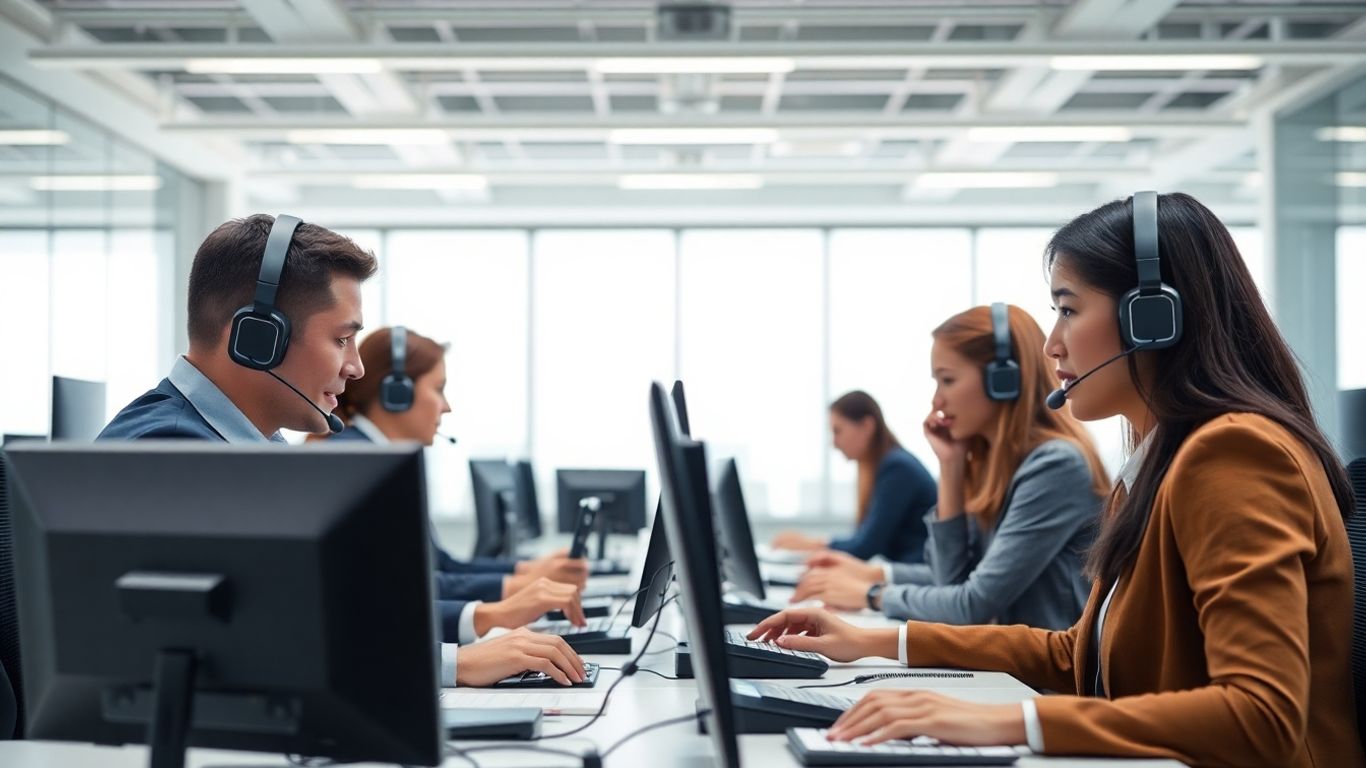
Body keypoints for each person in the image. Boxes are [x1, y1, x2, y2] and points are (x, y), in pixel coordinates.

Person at [748, 193, 1363, 767]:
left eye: (1068, 309)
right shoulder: (1156, 466)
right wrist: (873, 643)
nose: (1053, 346)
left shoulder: (1235, 454)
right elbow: (1077, 655)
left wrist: (1013, 722)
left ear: (1153, 318)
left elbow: (1262, 716)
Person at [99, 214, 588, 687]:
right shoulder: (171, 454)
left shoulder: (246, 452)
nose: (356, 368)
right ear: (256, 339)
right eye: (342, 339)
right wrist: (452, 664)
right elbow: (233, 652)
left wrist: (463, 650)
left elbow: (322, 611)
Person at [794, 305, 1108, 630]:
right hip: (1004, 669)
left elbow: (972, 605)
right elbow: (953, 582)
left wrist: (873, 594)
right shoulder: (994, 466)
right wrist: (951, 467)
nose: (936, 401)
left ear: (1003, 380)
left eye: (947, 380)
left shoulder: (1056, 466)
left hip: (1041, 679)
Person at [327, 326, 589, 638]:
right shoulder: (357, 466)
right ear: (396, 393)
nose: (446, 406)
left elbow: (438, 565)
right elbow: (396, 589)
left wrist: (527, 572)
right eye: (438, 389)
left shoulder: (380, 462)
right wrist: (510, 594)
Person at [770, 391, 936, 562]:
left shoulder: (897, 468)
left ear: (866, 426)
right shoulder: (885, 466)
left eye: (838, 431)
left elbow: (865, 546)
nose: (834, 442)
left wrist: (810, 544)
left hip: (916, 578)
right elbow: (863, 540)